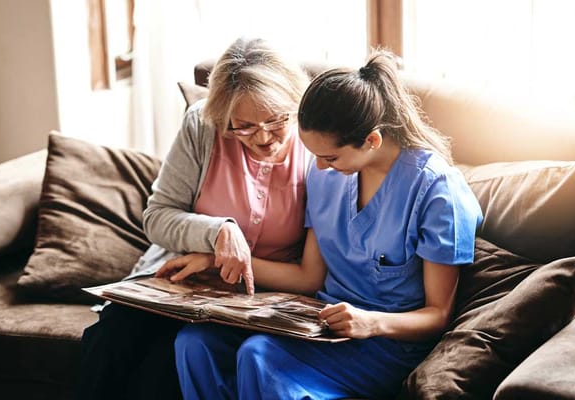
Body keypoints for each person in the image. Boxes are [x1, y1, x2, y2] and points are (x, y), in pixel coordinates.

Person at [173, 49, 483, 399]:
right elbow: (309, 277)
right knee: (195, 342)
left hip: (386, 342)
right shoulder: (327, 176)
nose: (317, 168)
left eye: (329, 157)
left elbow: (437, 316)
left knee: (258, 356)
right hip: (317, 323)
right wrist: (216, 260)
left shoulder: (438, 192)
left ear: (372, 140)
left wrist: (369, 322)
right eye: (314, 155)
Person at [76, 37, 311, 400]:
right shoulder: (202, 126)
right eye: (243, 127)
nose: (263, 137)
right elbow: (156, 217)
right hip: (179, 283)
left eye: (276, 120)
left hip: (258, 294)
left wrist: (219, 260)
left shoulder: (317, 146)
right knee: (110, 338)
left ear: (295, 105)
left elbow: (314, 268)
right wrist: (217, 232)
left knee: (163, 365)